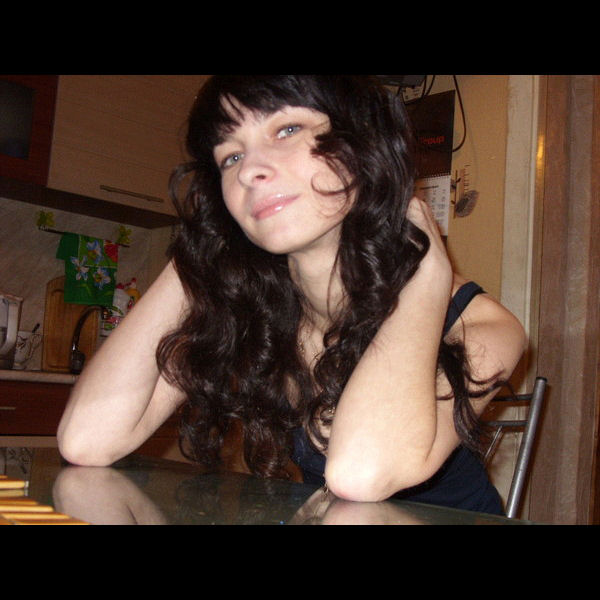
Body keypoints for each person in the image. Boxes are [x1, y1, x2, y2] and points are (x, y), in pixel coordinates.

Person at [57, 75, 526, 514]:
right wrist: (202, 247)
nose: (250, 171)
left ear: (363, 146)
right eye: (230, 157)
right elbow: (87, 439)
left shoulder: (481, 326)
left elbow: (361, 472)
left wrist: (427, 276)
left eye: (287, 130)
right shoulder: (257, 306)